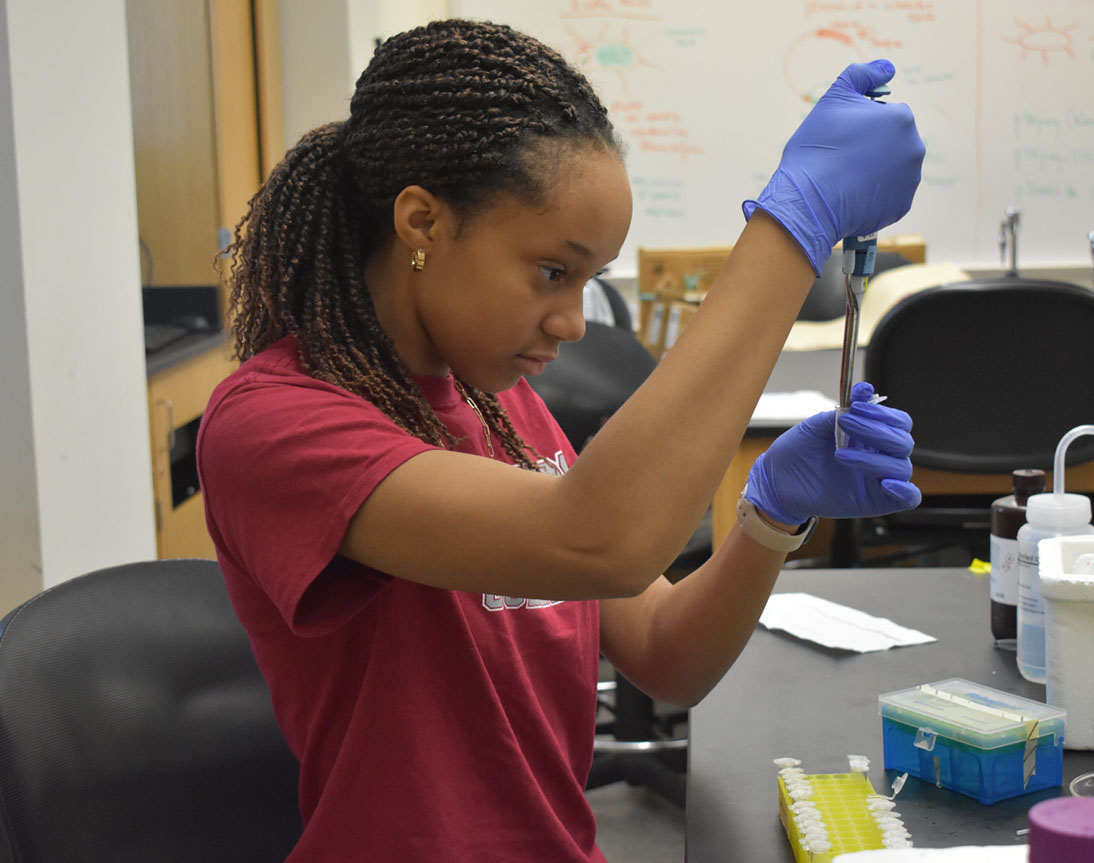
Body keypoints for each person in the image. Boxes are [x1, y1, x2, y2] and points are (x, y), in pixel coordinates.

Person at [197, 18, 925, 862]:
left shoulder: (502, 407)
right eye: (553, 271)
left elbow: (663, 651)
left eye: (589, 281)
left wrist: (769, 515)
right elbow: (600, 539)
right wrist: (796, 223)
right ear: (423, 223)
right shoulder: (276, 423)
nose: (574, 321)